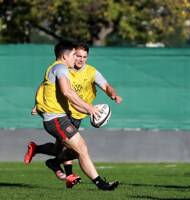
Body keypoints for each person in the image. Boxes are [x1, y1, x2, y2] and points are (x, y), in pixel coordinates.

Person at [24, 43, 122, 184]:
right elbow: (52, 88)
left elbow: (106, 86)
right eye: (76, 55)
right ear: (69, 56)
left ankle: (43, 154)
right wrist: (37, 104)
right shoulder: (62, 68)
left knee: (63, 149)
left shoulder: (89, 72)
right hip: (62, 115)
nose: (80, 59)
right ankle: (76, 177)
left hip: (76, 114)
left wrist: (112, 95)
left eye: (84, 57)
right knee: (77, 147)